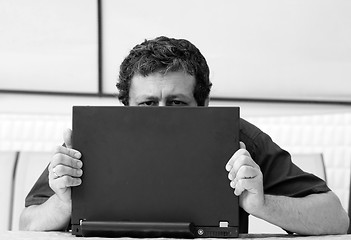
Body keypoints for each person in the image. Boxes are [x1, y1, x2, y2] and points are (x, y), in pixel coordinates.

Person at [19, 36, 349, 234]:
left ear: (204, 102)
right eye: (148, 103)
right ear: (125, 105)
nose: (161, 114)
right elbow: (28, 223)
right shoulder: (92, 138)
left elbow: (335, 218)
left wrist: (260, 205)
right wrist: (63, 205)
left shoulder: (236, 137)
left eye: (176, 102)